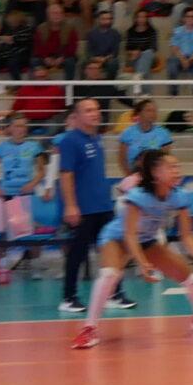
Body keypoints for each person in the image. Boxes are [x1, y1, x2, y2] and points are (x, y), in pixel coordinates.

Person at [73, 150, 193, 347]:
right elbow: (129, 235)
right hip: (117, 238)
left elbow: (187, 235)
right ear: (155, 173)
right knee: (110, 274)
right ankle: (89, 328)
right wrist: (142, 263)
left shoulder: (180, 196)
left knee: (192, 277)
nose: (177, 171)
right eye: (171, 167)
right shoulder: (138, 196)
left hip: (147, 240)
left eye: (177, 166)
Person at [54, 97, 115, 318]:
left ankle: (114, 294)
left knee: (112, 250)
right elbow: (66, 175)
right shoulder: (70, 141)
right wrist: (71, 205)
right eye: (88, 110)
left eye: (96, 109)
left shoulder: (97, 138)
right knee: (77, 253)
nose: (95, 113)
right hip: (84, 208)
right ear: (77, 116)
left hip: (103, 206)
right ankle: (68, 298)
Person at [0, 111, 50, 275]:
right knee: (4, 230)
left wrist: (32, 184)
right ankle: (0, 265)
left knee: (30, 230)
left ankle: (35, 264)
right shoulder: (0, 148)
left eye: (24, 126)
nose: (22, 129)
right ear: (10, 128)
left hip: (26, 194)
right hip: (7, 194)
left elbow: (42, 171)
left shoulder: (34, 147)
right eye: (18, 126)